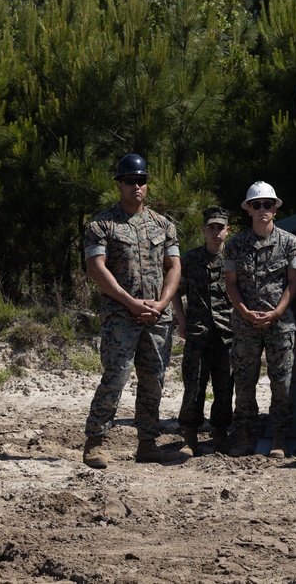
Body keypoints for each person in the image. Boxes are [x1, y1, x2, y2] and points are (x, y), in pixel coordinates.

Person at [82, 154, 181, 469]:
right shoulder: (102, 225)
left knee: (154, 379)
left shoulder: (163, 225)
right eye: (129, 181)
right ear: (119, 184)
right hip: (120, 316)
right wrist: (129, 302)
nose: (136, 186)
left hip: (156, 316)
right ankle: (95, 442)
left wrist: (163, 303)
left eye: (141, 181)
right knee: (117, 376)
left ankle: (147, 443)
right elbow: (96, 269)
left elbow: (174, 267)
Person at [224, 182, 296, 459]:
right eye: (256, 205)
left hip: (279, 324)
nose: (262, 210)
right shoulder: (234, 245)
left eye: (267, 204)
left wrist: (277, 312)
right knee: (245, 382)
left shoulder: (290, 243)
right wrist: (244, 311)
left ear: (275, 209)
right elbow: (231, 283)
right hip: (245, 324)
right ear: (248, 210)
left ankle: (279, 436)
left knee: (281, 382)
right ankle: (245, 435)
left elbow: (293, 283)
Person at [173, 206, 234, 456]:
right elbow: (175, 289)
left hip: (227, 334)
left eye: (220, 227)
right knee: (194, 386)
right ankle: (189, 435)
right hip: (198, 333)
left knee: (224, 387)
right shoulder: (190, 259)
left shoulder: (233, 259)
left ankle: (219, 433)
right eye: (211, 227)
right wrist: (181, 320)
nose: (216, 232)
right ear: (203, 230)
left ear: (227, 231)